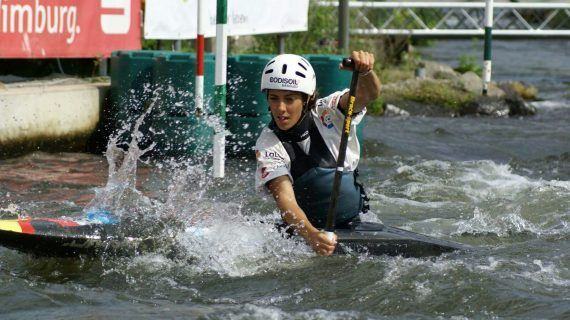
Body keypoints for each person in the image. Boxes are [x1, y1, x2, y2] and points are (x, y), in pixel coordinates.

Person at [254, 51, 381, 256]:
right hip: (306, 230)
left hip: (357, 221)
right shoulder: (267, 143)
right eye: (274, 98)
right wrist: (312, 235)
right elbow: (285, 200)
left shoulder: (328, 112)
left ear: (306, 99)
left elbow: (369, 95)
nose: (281, 108)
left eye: (289, 99)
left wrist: (366, 72)